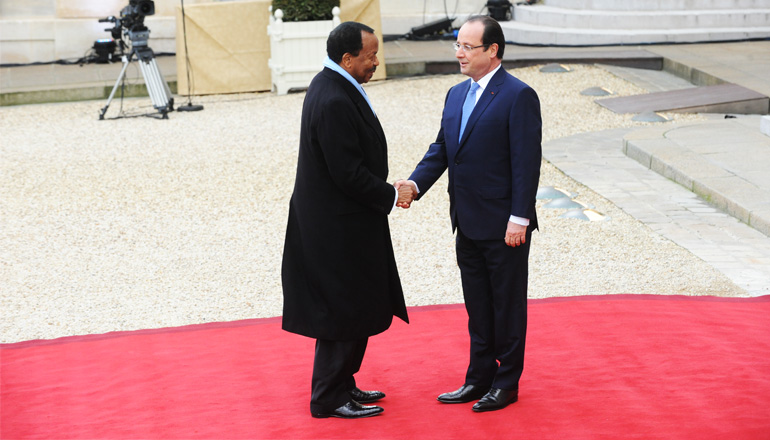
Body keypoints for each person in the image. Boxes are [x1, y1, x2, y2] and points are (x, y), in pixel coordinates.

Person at [396, 15, 542, 412]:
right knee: (477, 306)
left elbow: (526, 163)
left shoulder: (518, 95)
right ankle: (478, 378)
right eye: (457, 45)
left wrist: (520, 218)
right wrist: (414, 184)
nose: (459, 52)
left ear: (492, 51)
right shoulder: (456, 95)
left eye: (467, 46)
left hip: (504, 225)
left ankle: (506, 382)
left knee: (506, 306)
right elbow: (442, 150)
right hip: (466, 221)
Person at [281, 21, 411, 419]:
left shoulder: (333, 85)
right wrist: (392, 194)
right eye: (370, 56)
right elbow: (347, 173)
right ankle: (328, 397)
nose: (376, 62)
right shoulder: (333, 98)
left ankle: (343, 384)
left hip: (345, 223)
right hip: (336, 229)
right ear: (347, 58)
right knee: (342, 309)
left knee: (356, 305)